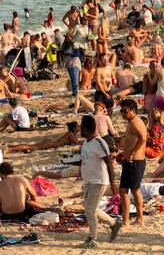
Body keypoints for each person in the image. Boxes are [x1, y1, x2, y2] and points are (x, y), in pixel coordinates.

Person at [80, 115, 122, 248]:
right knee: (90, 208)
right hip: (89, 181)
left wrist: (113, 182)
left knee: (90, 209)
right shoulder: (86, 143)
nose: (80, 130)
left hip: (99, 181)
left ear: (86, 129)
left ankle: (92, 238)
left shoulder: (99, 142)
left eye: (81, 127)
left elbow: (109, 162)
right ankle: (114, 223)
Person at [118, 98, 147, 226]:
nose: (123, 114)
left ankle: (137, 218)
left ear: (132, 110)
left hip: (135, 162)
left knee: (134, 190)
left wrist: (131, 152)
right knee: (124, 190)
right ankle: (127, 219)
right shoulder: (133, 121)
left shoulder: (135, 122)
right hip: (131, 161)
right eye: (121, 111)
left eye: (125, 111)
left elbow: (143, 139)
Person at [5, 121, 79, 153]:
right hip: (51, 143)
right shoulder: (71, 134)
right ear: (74, 128)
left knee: (31, 146)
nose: (80, 127)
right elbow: (77, 143)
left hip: (51, 142)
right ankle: (11, 149)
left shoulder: (71, 134)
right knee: (31, 147)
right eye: (78, 126)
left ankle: (13, 146)